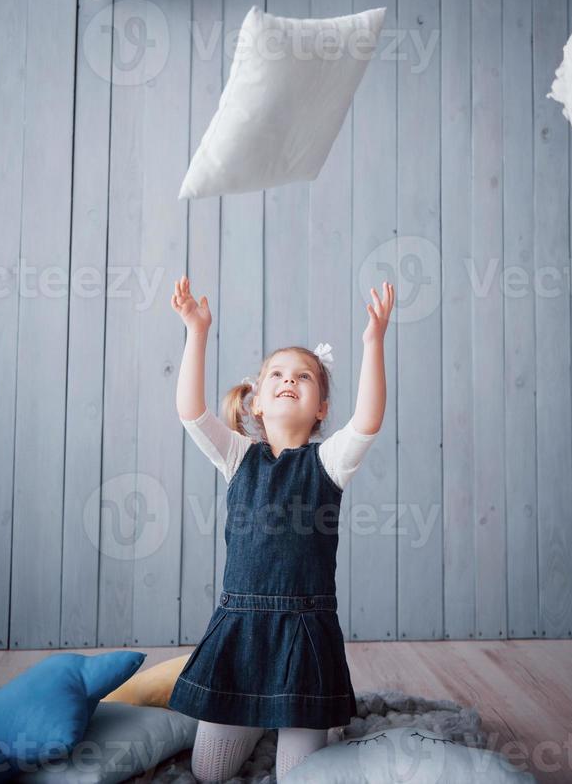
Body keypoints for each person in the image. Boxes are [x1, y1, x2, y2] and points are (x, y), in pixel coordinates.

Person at [167, 274, 394, 782]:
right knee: (208, 772)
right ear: (256, 403)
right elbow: (191, 412)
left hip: (304, 636)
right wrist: (196, 331)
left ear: (321, 410)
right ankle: (254, 713)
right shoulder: (237, 456)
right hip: (242, 631)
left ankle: (316, 724)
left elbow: (368, 421)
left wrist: (373, 342)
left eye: (305, 376)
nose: (290, 380)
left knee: (298, 776)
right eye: (277, 374)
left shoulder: (329, 462)